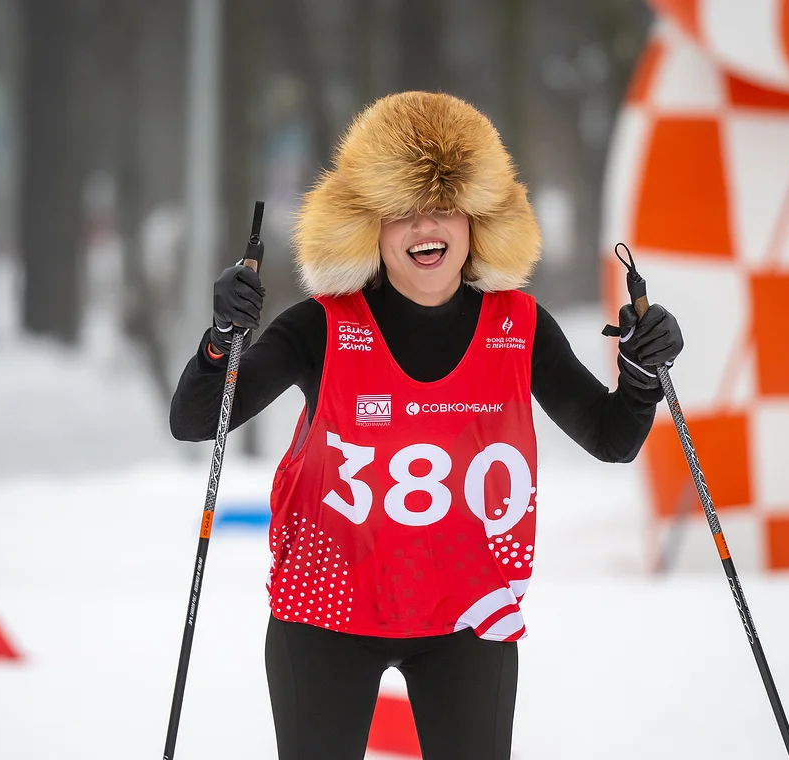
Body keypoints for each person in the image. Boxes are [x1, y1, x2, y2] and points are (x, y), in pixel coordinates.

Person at [168, 91, 684, 760]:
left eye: (443, 208)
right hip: (328, 614)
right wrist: (221, 339)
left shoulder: (519, 326)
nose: (424, 229)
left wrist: (642, 373)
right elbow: (195, 420)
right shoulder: (322, 326)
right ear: (370, 230)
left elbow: (612, 439)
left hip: (468, 612)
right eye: (401, 213)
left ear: (476, 222)